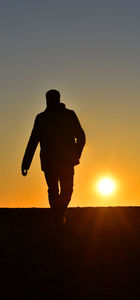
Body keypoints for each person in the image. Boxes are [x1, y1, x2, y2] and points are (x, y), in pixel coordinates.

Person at [21, 89, 86, 227]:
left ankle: (59, 214)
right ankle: (58, 216)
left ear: (57, 99)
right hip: (50, 161)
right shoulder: (41, 118)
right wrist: (25, 163)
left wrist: (76, 153)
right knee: (54, 190)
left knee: (66, 190)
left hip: (65, 160)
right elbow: (33, 141)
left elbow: (81, 136)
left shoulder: (69, 115)